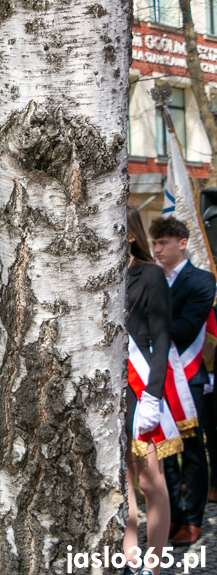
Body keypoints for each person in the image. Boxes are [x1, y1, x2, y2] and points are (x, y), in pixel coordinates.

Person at [149, 216, 216, 546]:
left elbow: (187, 328)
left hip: (187, 378)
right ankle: (172, 512)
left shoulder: (202, 280)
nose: (157, 249)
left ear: (182, 243)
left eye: (163, 242)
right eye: (155, 243)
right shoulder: (149, 276)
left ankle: (192, 518)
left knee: (191, 452)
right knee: (163, 450)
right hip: (155, 375)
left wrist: (147, 329)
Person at [124, 205, 179, 575]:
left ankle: (154, 565)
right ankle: (128, 559)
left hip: (139, 385)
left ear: (129, 234)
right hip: (105, 392)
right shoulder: (91, 276)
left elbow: (161, 339)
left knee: (149, 480)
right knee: (119, 482)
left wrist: (153, 396)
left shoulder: (149, 275)